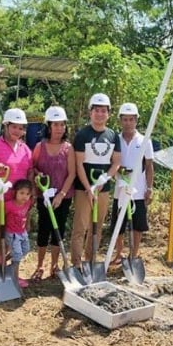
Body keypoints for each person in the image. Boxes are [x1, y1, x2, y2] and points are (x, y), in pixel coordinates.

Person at [0, 108, 34, 281]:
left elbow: (29, 174)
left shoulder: (25, 149)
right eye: (14, 127)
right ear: (6, 125)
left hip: (17, 202)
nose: (17, 131)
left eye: (21, 128)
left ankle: (3, 265)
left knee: (11, 235)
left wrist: (30, 198)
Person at [70, 93, 121, 269]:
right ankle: (76, 265)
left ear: (108, 114)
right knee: (80, 227)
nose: (100, 114)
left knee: (97, 227)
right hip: (84, 189)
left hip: (103, 189)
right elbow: (79, 164)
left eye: (103, 111)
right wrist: (88, 187)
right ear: (90, 112)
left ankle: (90, 262)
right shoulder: (83, 135)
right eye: (96, 110)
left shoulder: (113, 136)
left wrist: (104, 179)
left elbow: (116, 162)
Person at [31, 106, 76, 280]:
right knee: (44, 230)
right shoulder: (39, 146)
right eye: (55, 124)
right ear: (48, 126)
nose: (59, 128)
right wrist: (37, 174)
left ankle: (55, 265)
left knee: (59, 230)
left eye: (62, 124)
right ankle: (40, 265)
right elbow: (33, 167)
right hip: (44, 195)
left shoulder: (68, 148)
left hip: (63, 197)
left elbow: (72, 173)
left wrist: (61, 195)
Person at [109, 102, 154, 265]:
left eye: (131, 119)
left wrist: (149, 188)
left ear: (136, 120)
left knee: (137, 225)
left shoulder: (144, 140)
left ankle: (133, 255)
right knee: (118, 224)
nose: (128, 123)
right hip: (120, 189)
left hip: (138, 189)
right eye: (125, 119)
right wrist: (119, 172)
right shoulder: (115, 140)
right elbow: (111, 163)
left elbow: (149, 166)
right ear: (120, 121)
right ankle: (119, 253)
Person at [5, 179, 34, 288]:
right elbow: (0, 217)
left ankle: (5, 259)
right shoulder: (9, 205)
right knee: (17, 256)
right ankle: (15, 277)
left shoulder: (28, 203)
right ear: (15, 192)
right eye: (21, 193)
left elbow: (28, 213)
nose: (24, 196)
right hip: (12, 233)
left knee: (25, 250)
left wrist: (28, 224)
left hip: (22, 232)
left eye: (27, 194)